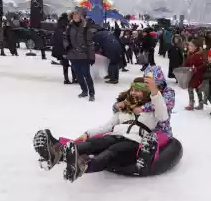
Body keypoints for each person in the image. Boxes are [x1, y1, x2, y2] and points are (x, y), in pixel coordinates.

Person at [33, 76, 169, 182]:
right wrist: (87, 133)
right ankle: (56, 154)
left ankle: (83, 166)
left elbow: (163, 116)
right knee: (94, 144)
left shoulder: (152, 112)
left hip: (133, 141)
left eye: (137, 90)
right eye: (132, 90)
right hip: (114, 135)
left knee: (114, 150)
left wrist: (155, 92)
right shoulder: (123, 111)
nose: (133, 93)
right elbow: (106, 126)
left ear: (146, 93)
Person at [65, 8, 96, 101]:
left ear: (81, 16)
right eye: (73, 15)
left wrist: (91, 57)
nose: (75, 16)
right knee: (78, 75)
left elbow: (90, 43)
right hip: (73, 55)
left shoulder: (86, 27)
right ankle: (84, 91)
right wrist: (67, 46)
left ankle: (91, 93)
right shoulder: (69, 26)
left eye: (77, 14)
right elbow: (65, 38)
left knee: (86, 74)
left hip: (84, 55)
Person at [52, 13, 76, 84]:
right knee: (73, 63)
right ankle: (73, 78)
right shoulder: (64, 26)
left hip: (62, 49)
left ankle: (66, 79)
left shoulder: (59, 26)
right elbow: (63, 39)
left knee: (65, 64)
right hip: (66, 49)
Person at [182, 38, 206, 110]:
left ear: (196, 47)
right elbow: (188, 63)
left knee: (193, 88)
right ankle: (198, 103)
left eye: (191, 46)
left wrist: (196, 69)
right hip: (192, 75)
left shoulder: (198, 55)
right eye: (189, 45)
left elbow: (203, 65)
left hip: (197, 75)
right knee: (195, 89)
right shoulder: (191, 54)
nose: (189, 47)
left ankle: (193, 104)